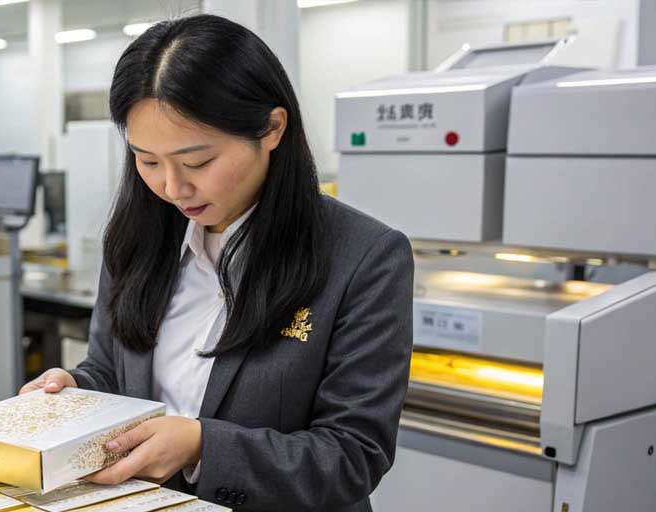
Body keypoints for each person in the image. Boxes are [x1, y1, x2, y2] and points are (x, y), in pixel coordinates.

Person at [20, 14, 413, 512]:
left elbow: (354, 456)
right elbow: (111, 372)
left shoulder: (363, 258)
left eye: (198, 162)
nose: (172, 188)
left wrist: (204, 446)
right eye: (148, 161)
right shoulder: (137, 239)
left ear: (271, 128)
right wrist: (75, 391)